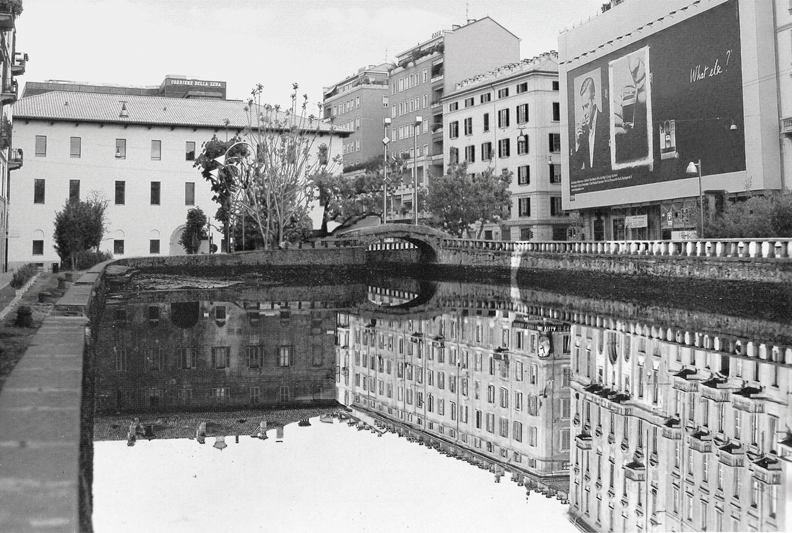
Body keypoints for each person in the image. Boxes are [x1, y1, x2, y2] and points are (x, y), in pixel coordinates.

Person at [573, 76, 610, 172]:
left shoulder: (606, 122)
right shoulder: (584, 131)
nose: (584, 112)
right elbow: (576, 167)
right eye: (582, 107)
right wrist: (577, 142)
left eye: (586, 106)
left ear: (594, 98)